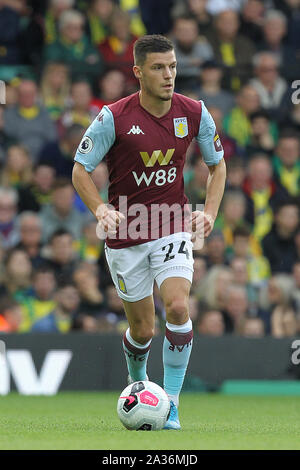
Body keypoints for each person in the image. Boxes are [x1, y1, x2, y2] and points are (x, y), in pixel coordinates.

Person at [72, 34, 226, 430]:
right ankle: (137, 381)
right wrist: (100, 208)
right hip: (127, 232)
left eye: (173, 66)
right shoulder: (114, 117)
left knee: (177, 307)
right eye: (158, 67)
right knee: (143, 329)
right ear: (138, 72)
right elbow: (80, 170)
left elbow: (218, 165)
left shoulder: (194, 112)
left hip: (171, 224)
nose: (169, 75)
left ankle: (171, 401)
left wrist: (208, 213)